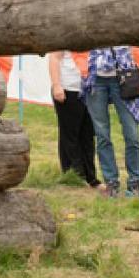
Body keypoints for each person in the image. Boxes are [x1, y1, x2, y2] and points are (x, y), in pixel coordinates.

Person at [84, 45, 139, 198]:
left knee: (132, 134)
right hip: (96, 76)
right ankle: (111, 182)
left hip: (124, 74)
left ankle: (134, 182)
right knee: (102, 135)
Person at [47, 50, 99, 187]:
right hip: (68, 88)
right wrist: (57, 85)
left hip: (88, 90)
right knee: (70, 136)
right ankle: (75, 175)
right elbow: (54, 58)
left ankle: (91, 177)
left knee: (87, 136)